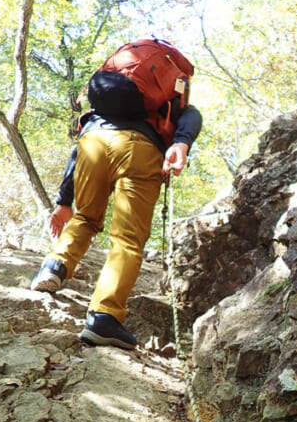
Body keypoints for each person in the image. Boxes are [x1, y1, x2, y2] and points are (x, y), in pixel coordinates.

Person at [31, 39, 202, 350]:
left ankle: (54, 267)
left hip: (93, 142)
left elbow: (76, 152)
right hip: (140, 149)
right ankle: (104, 317)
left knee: (85, 217)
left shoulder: (114, 84)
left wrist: (64, 202)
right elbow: (191, 116)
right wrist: (181, 143)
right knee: (127, 239)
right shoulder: (173, 86)